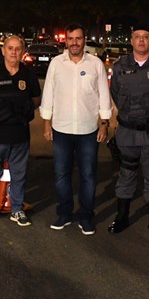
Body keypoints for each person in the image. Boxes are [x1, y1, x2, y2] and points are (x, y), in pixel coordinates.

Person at [39, 23, 112, 235]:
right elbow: (49, 93)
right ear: (66, 41)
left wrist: (104, 123)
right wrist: (46, 122)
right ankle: (64, 213)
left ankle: (86, 216)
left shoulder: (96, 64)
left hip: (88, 130)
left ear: (84, 39)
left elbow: (103, 95)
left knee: (88, 175)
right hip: (61, 129)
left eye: (78, 38)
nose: (74, 43)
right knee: (62, 174)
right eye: (70, 39)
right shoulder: (56, 63)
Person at [107, 25, 149, 237]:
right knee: (126, 175)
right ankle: (122, 216)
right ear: (131, 41)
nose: (141, 41)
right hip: (128, 132)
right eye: (137, 37)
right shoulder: (120, 67)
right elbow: (116, 93)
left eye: (146, 37)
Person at [0, 35, 41, 228]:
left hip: (20, 137)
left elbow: (36, 100)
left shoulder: (28, 75)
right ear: (3, 51)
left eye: (17, 49)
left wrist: (23, 108)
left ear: (22, 51)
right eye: (10, 48)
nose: (14, 52)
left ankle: (17, 209)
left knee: (19, 175)